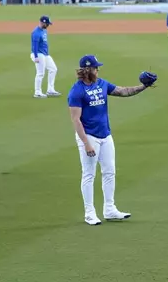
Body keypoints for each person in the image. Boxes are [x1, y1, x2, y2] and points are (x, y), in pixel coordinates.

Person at [67, 55, 157, 225]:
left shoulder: (102, 84)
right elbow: (76, 120)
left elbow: (123, 91)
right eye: (95, 68)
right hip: (89, 136)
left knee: (109, 172)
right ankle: (89, 213)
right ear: (87, 70)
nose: (98, 70)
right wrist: (86, 143)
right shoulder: (76, 91)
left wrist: (144, 86)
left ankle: (110, 209)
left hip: (105, 135)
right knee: (89, 174)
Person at [31, 15, 60, 98]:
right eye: (47, 24)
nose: (48, 25)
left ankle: (50, 89)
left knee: (53, 69)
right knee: (40, 73)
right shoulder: (36, 33)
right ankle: (37, 92)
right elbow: (35, 46)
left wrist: (46, 53)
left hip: (45, 54)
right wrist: (36, 56)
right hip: (38, 54)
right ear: (42, 22)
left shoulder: (44, 31)